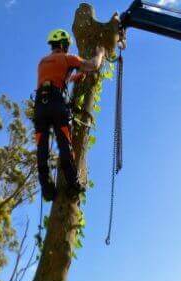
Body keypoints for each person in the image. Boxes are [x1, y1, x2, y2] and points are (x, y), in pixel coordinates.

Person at [34, 29, 105, 201]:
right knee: (65, 144)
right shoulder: (67, 58)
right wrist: (100, 53)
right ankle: (73, 184)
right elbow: (93, 65)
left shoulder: (43, 62)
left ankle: (47, 189)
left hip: (40, 106)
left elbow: (57, 77)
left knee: (42, 148)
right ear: (64, 45)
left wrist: (74, 78)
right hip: (57, 104)